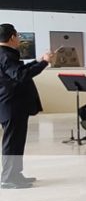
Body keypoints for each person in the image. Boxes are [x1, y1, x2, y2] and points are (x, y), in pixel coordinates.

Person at [0, 24, 52, 189]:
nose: (20, 39)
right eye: (18, 36)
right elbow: (21, 75)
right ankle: (8, 178)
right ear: (13, 37)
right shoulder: (6, 55)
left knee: (17, 141)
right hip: (12, 104)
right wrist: (44, 63)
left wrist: (37, 61)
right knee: (12, 142)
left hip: (14, 104)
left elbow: (19, 69)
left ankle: (15, 174)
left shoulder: (6, 54)